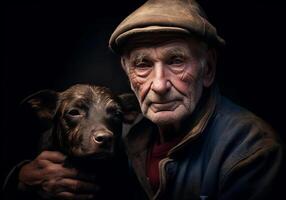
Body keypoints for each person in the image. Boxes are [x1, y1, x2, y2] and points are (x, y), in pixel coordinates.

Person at [3, 0, 285, 199]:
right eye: (142, 64)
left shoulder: (251, 150)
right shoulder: (128, 134)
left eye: (176, 61)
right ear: (128, 73)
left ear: (208, 69)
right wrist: (23, 179)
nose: (159, 85)